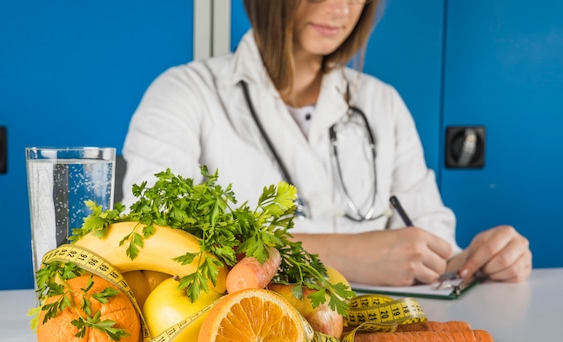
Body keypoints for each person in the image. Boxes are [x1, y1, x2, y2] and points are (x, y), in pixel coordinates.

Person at [121, 0, 532, 286]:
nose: (340, 10)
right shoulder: (183, 94)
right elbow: (153, 239)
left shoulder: (381, 102)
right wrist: (343, 254)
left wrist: (480, 260)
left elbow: (430, 241)